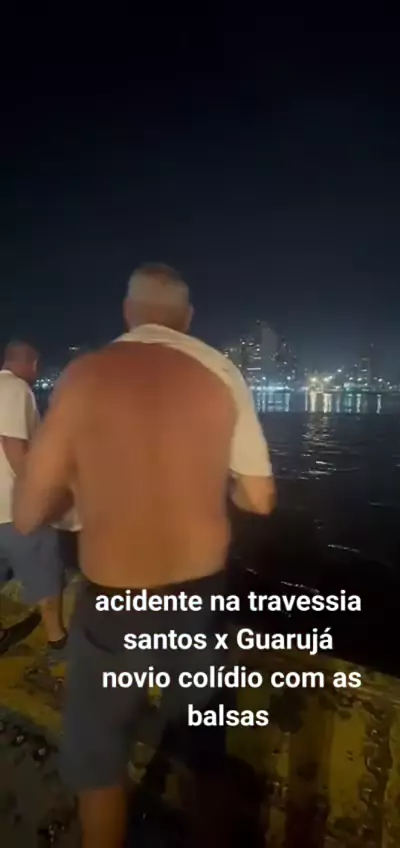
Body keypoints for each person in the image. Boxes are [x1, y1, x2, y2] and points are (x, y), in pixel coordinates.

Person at [13, 264, 276, 848]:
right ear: (188, 318)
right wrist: (220, 491)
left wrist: (79, 501)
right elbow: (259, 498)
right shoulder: (220, 372)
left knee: (100, 762)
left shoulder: (85, 375)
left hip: (113, 606)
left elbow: (28, 511)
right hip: (199, 600)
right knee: (204, 751)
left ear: (128, 314)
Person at [0, 340, 67, 652]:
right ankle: (57, 639)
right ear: (31, 363)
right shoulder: (15, 389)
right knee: (46, 576)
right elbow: (13, 445)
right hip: (14, 510)